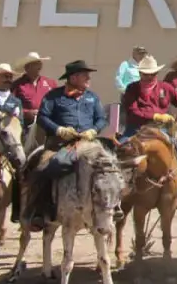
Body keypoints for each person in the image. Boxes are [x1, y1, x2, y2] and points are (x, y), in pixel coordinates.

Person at [20, 60, 109, 232]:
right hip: (59, 144)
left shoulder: (92, 97)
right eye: (85, 75)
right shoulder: (53, 96)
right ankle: (40, 211)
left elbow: (101, 118)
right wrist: (59, 129)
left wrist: (93, 130)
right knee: (44, 169)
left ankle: (109, 209)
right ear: (74, 77)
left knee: (110, 167)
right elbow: (44, 117)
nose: (88, 78)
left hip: (88, 143)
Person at [119, 55, 177, 171]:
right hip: (135, 128)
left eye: (152, 74)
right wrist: (155, 116)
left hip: (161, 129)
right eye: (146, 74)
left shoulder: (166, 88)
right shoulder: (132, 89)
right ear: (140, 74)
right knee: (118, 149)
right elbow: (133, 111)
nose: (149, 77)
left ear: (157, 73)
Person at [10, 52, 55, 132]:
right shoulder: (17, 85)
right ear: (27, 67)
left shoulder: (50, 83)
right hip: (25, 127)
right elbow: (11, 105)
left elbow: (58, 101)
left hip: (48, 125)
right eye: (35, 64)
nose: (39, 66)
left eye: (39, 63)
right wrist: (26, 113)